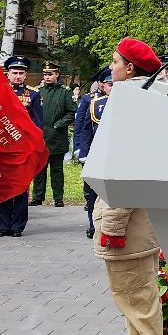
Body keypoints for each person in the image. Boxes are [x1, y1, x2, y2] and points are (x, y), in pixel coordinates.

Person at [93, 37, 164, 335]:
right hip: (138, 223)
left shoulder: (132, 105)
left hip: (128, 226)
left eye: (115, 61)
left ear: (130, 68)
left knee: (137, 302)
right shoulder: (145, 100)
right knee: (137, 300)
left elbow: (127, 173)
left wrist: (113, 225)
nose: (111, 67)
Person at [0, 56, 38, 236]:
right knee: (2, 185)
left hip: (22, 148)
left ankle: (17, 226)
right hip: (2, 146)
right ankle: (3, 225)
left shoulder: (33, 95)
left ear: (25, 75)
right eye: (14, 73)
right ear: (8, 74)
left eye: (21, 73)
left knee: (20, 187)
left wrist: (33, 146)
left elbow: (37, 124)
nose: (17, 76)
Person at [73, 68, 110, 239]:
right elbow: (82, 127)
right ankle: (92, 225)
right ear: (101, 84)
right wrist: (81, 150)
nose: (112, 87)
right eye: (109, 84)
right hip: (96, 154)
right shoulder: (92, 101)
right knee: (92, 192)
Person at [31, 63, 74, 208]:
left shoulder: (65, 92)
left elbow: (71, 113)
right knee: (39, 169)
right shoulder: (38, 91)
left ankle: (58, 197)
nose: (47, 77)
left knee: (57, 170)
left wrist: (58, 125)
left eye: (50, 74)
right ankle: (37, 196)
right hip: (40, 137)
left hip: (57, 137)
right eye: (45, 74)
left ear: (57, 75)